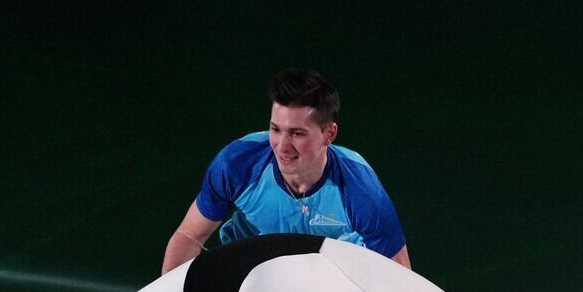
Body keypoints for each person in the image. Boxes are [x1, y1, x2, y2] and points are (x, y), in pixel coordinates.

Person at [161, 68, 411, 274]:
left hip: (336, 283)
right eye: (276, 129)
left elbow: (400, 273)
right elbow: (189, 235)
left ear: (329, 134)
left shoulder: (359, 188)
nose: (282, 146)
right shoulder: (238, 165)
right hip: (252, 276)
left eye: (297, 133)